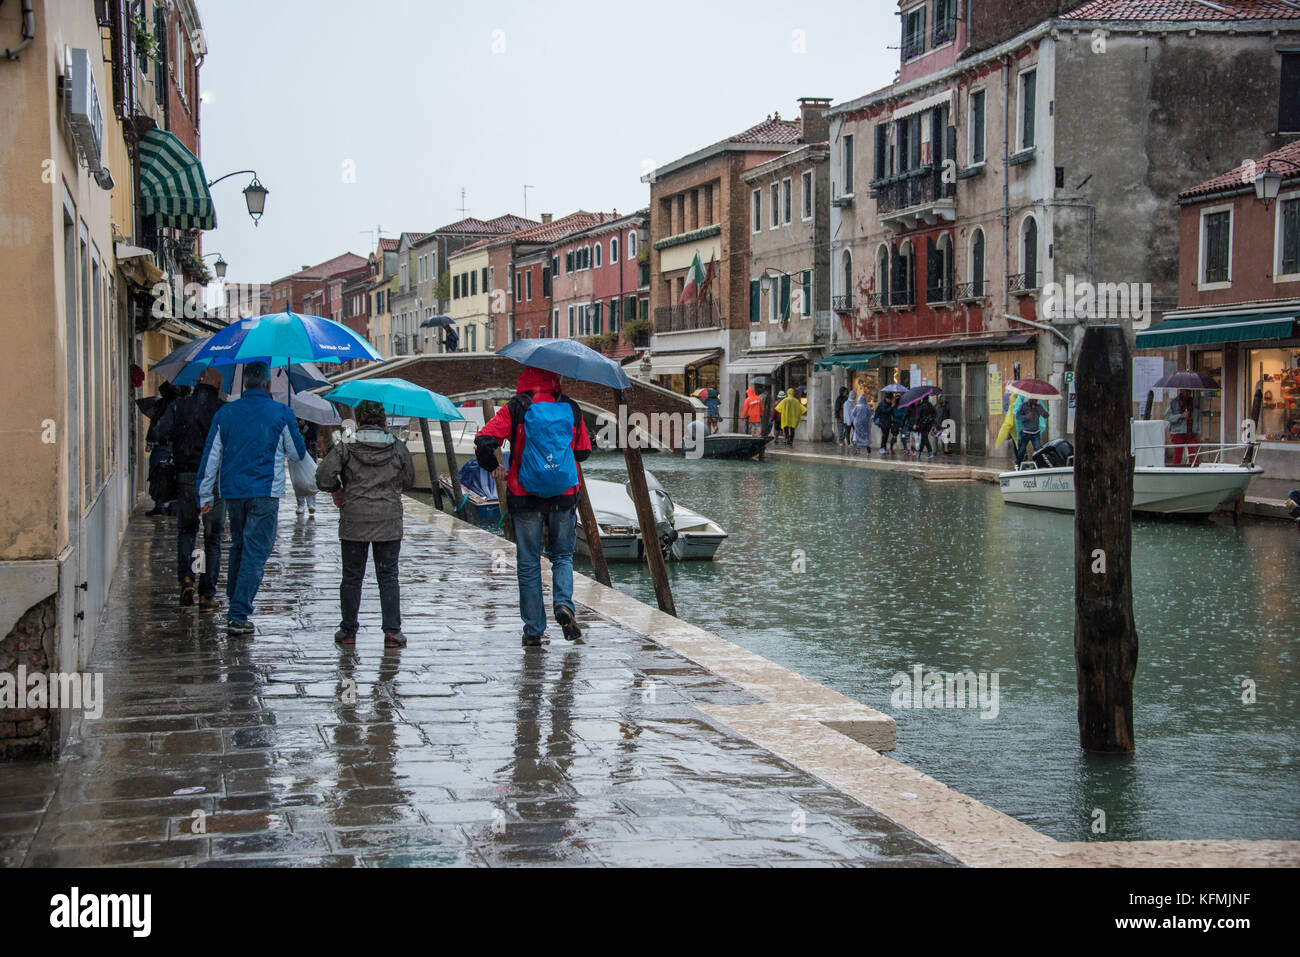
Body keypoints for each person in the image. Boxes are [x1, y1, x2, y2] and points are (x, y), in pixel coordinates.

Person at [475, 366, 592, 648]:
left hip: (524, 494)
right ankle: (563, 604)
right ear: (555, 379)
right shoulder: (571, 407)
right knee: (562, 557)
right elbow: (584, 451)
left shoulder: (517, 407)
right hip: (564, 495)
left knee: (528, 563)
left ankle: (533, 630)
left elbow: (483, 441)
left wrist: (494, 467)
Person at [197, 361, 308, 637]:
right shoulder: (281, 412)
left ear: (245, 384)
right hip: (265, 492)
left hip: (233, 493)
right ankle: (237, 614)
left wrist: (204, 494)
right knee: (255, 552)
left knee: (238, 546)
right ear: (269, 385)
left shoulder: (226, 412)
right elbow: (296, 454)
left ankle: (235, 598)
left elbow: (211, 456)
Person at [315, 400, 415, 648]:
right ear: (382, 420)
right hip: (388, 521)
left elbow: (323, 477)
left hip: (354, 520)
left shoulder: (346, 446)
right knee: (388, 576)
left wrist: (339, 488)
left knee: (351, 576)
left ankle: (348, 631)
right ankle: (392, 632)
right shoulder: (397, 446)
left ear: (359, 420)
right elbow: (411, 480)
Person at [156, 368, 226, 610]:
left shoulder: (179, 405)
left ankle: (187, 579)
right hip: (213, 479)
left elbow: (158, 432)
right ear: (217, 387)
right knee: (211, 538)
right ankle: (207, 594)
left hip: (186, 476)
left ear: (198, 382)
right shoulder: (221, 409)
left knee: (187, 531)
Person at [145, 381, 182, 516]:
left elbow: (157, 428)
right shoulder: (184, 405)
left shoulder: (163, 406)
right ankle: (173, 506)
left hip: (163, 446)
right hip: (178, 447)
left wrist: (150, 440)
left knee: (159, 474)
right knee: (175, 475)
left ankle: (160, 504)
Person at [1165, 389, 1201, 466]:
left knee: (1194, 454)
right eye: (1186, 391)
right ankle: (1175, 471)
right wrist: (1180, 416)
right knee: (1178, 455)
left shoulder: (1194, 402)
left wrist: (1198, 431)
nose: (1188, 393)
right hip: (1178, 432)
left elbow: (1198, 417)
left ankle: (1195, 470)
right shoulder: (1174, 402)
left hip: (1192, 431)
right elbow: (1167, 416)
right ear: (1181, 391)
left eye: (1190, 391)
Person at [1014, 396, 1049, 467]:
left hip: (1035, 433)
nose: (1036, 401)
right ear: (1030, 399)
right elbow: (1017, 416)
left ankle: (1038, 465)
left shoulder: (1039, 406)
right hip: (1025, 432)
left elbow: (1046, 415)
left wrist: (1043, 413)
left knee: (1038, 449)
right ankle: (1018, 464)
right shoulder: (1023, 406)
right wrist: (1026, 417)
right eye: (1034, 399)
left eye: (1037, 400)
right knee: (1021, 450)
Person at [296, 418, 319, 515]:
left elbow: (313, 435)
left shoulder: (313, 421)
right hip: (297, 453)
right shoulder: (294, 419)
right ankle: (300, 504)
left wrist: (304, 426)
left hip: (310, 452)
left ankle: (311, 503)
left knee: (310, 478)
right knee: (298, 479)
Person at [916, 393, 937, 459]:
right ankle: (919, 452)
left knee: (925, 438)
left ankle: (930, 452)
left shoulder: (921, 406)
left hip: (923, 424)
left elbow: (918, 416)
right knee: (923, 438)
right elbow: (935, 414)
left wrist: (916, 424)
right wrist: (930, 419)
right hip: (929, 425)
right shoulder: (930, 405)